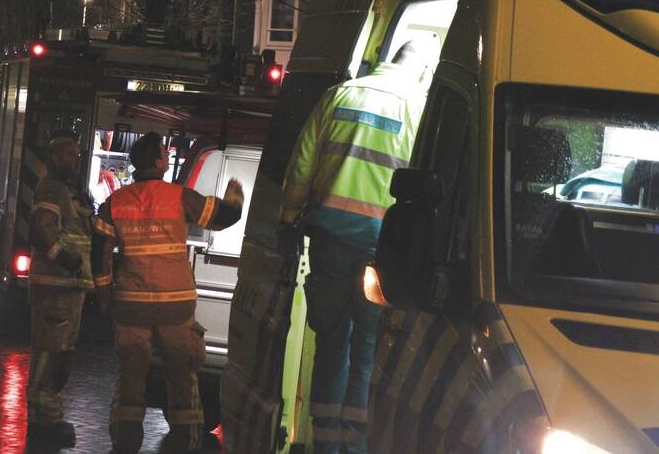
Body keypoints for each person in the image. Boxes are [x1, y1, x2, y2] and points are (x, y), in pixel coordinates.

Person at [279, 37, 437, 453]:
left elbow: (302, 163)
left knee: (331, 340)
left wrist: (288, 217)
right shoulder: (417, 109)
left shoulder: (339, 95)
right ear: (422, 71)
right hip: (381, 249)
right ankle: (353, 446)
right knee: (369, 346)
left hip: (330, 240)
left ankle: (325, 444)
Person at [92, 133, 245, 454]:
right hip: (175, 308)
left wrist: (105, 295)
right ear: (160, 162)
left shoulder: (116, 202)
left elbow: (99, 251)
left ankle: (125, 444)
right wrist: (235, 200)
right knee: (182, 377)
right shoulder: (178, 197)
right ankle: (185, 444)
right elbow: (221, 218)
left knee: (131, 378)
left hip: (131, 307)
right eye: (165, 153)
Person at [23, 132, 94, 446]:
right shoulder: (52, 187)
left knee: (60, 352)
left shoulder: (70, 190)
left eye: (76, 155)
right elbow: (40, 227)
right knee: (51, 352)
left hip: (69, 285)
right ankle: (44, 419)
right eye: (67, 155)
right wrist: (62, 258)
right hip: (56, 284)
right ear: (53, 158)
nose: (74, 160)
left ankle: (48, 414)